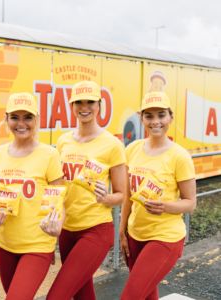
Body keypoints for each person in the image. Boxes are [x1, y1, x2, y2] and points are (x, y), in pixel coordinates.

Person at [47, 81, 127, 300]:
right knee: (82, 293)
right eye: (78, 102)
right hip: (65, 229)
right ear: (71, 106)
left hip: (95, 230)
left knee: (56, 295)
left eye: (90, 101)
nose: (84, 107)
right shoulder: (63, 141)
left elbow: (121, 195)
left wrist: (105, 197)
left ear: (99, 105)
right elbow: (57, 187)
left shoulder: (112, 145)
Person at [119, 92, 196, 300]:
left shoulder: (179, 156)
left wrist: (165, 206)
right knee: (146, 295)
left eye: (161, 115)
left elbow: (190, 203)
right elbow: (128, 196)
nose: (155, 121)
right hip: (135, 235)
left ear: (170, 117)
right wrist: (122, 231)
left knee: (131, 297)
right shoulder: (133, 149)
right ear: (142, 118)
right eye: (149, 116)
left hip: (165, 238)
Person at [0, 93, 64, 300]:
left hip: (37, 245)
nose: (21, 123)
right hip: (4, 243)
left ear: (36, 120)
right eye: (15, 117)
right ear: (7, 119)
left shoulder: (49, 155)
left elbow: (58, 200)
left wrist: (58, 225)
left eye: (27, 117)